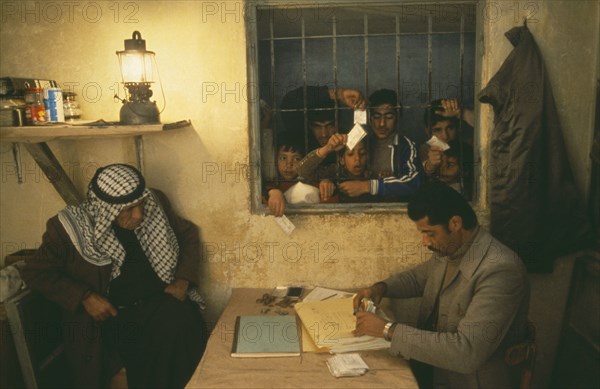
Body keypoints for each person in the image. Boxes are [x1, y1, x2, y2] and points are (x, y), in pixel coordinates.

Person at [20, 164, 208, 388]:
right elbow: (36, 272)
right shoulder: (66, 229)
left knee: (185, 320)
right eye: (128, 210)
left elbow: (188, 234)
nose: (138, 215)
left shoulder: (155, 201)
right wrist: (84, 296)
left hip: (160, 302)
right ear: (105, 209)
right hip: (113, 318)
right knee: (169, 331)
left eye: (140, 205)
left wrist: (182, 280)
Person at [353, 180, 530, 388]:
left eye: (430, 233)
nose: (425, 242)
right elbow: (419, 278)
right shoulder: (451, 247)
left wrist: (388, 330)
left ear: (455, 223)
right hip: (433, 371)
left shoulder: (500, 270)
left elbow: (466, 352)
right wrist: (381, 288)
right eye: (422, 234)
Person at [336, 89, 420, 201]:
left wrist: (368, 186)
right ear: (369, 118)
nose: (382, 123)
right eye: (376, 116)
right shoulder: (361, 143)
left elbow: (414, 182)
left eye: (389, 117)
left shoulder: (405, 146)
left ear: (398, 118)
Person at [420, 98, 474, 198]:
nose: (445, 136)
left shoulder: (467, 146)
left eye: (450, 128)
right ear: (428, 132)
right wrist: (430, 165)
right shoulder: (425, 149)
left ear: (457, 127)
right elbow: (427, 167)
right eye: (437, 130)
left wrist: (462, 114)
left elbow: (487, 126)